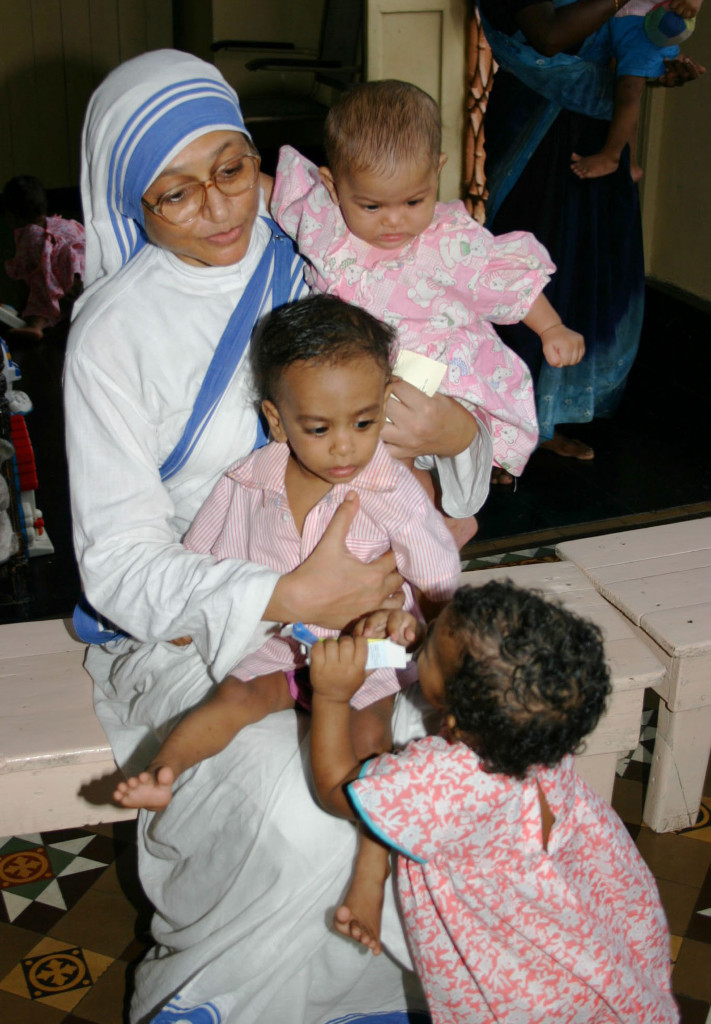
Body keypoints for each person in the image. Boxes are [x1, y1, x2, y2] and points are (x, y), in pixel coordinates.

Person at [64, 49, 492, 1024]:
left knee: (444, 764)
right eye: (174, 194)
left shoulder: (322, 256)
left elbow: (440, 387)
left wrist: (460, 433)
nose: (218, 208)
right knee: (295, 797)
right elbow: (119, 560)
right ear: (133, 204)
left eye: (232, 168)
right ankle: (211, 996)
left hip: (381, 609)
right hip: (202, 624)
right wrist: (290, 597)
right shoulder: (113, 337)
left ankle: (363, 993)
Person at [113, 295, 461, 812]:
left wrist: (426, 631)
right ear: (277, 420)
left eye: (363, 424)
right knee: (235, 697)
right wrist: (186, 618)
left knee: (368, 734)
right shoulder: (247, 480)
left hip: (370, 658)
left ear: (383, 404)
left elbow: (436, 568)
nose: (344, 447)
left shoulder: (391, 491)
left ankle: (368, 822)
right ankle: (165, 771)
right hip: (285, 645)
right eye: (319, 429)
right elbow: (199, 551)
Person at [308, 580, 679, 1024]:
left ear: (454, 716)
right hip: (592, 932)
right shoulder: (534, 729)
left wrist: (331, 694)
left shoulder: (440, 782)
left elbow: (337, 788)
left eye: (425, 651)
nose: (420, 640)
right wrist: (415, 634)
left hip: (519, 987)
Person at [270, 80, 585, 530]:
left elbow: (502, 278)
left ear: (436, 170)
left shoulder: (450, 240)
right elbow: (272, 193)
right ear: (332, 184)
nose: (395, 220)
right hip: (350, 379)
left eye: (414, 200)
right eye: (372, 205)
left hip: (438, 374)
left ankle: (438, 525)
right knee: (363, 468)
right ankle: (424, 532)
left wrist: (551, 327)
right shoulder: (326, 225)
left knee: (404, 456)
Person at [478, 0, 704, 475]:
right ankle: (498, 433)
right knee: (521, 275)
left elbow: (605, 52)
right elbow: (549, 38)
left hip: (592, 136)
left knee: (575, 272)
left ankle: (541, 425)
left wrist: (649, 73)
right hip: (533, 131)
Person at [570, 0, 701, 182]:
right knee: (621, 91)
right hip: (621, 21)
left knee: (629, 91)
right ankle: (630, 162)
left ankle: (612, 155)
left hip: (649, 26)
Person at [2, 174, 85, 340]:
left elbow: (27, 274)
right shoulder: (62, 224)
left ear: (11, 217)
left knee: (41, 280)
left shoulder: (30, 236)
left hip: (69, 276)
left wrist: (28, 313)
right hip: (89, 271)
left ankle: (36, 326)